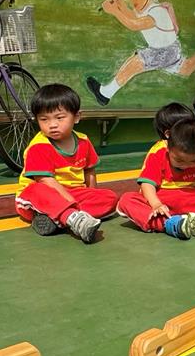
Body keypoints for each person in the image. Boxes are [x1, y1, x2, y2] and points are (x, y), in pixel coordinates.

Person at [15, 84, 118, 244]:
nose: (52, 124)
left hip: (73, 194)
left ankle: (58, 219)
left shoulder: (83, 141)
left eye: (59, 117)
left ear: (76, 117)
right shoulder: (39, 146)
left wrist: (92, 194)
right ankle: (73, 219)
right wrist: (70, 201)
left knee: (110, 197)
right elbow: (45, 180)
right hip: (39, 197)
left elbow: (89, 172)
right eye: (44, 119)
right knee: (36, 190)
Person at [86, 0, 195, 107]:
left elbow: (134, 25)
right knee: (185, 68)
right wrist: (120, 3)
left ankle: (105, 94)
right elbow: (133, 17)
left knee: (136, 62)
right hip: (169, 50)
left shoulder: (156, 11)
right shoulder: (146, 10)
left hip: (163, 51)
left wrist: (115, 11)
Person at [117, 118, 195, 239]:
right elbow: (147, 184)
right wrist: (156, 204)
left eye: (194, 161)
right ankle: (169, 224)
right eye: (179, 160)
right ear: (168, 148)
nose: (186, 165)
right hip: (164, 203)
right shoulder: (158, 154)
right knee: (127, 200)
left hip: (193, 200)